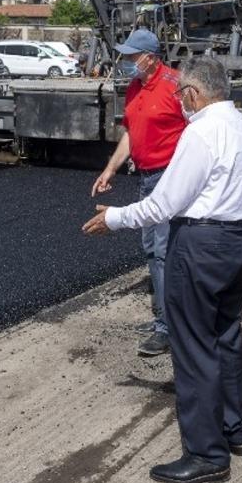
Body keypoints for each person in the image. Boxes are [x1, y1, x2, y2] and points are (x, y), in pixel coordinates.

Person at [83, 56, 242, 483]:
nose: (180, 100)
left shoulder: (201, 132)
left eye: (182, 92)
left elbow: (163, 205)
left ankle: (206, 454)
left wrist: (114, 218)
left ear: (193, 93)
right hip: (240, 239)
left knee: (193, 348)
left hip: (201, 245)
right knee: (226, 336)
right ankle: (232, 429)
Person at [91, 28, 187, 357]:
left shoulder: (177, 86)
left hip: (169, 178)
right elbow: (132, 134)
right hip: (146, 178)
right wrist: (110, 170)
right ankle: (164, 316)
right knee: (153, 249)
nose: (127, 61)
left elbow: (198, 131)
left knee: (162, 252)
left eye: (133, 56)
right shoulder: (135, 87)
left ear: (150, 57)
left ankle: (168, 329)